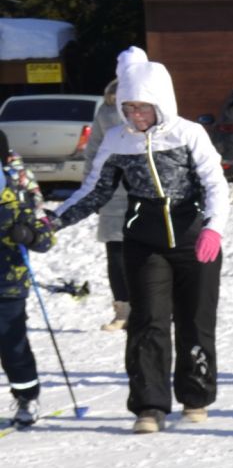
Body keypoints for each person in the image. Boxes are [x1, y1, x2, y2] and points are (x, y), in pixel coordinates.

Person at [50, 48, 229, 434]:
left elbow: (216, 184)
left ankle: (195, 397)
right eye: (128, 108)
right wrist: (50, 222)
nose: (135, 116)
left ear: (160, 103)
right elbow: (93, 192)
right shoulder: (118, 140)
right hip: (143, 242)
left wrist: (213, 228)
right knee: (147, 323)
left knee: (196, 321)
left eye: (142, 108)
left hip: (194, 238)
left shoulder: (188, 134)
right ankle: (150, 406)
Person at [2, 132, 56, 428]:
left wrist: (30, 234)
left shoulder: (18, 183)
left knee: (12, 344)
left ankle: (26, 396)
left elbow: (45, 235)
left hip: (7, 282)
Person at [80, 90, 133, 330]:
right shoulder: (107, 110)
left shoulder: (153, 106)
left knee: (151, 254)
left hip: (145, 193)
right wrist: (91, 189)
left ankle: (152, 306)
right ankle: (123, 310)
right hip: (112, 193)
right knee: (116, 254)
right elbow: (92, 151)